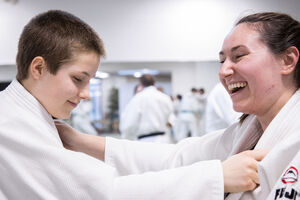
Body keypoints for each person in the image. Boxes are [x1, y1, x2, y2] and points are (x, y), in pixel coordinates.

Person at [0, 10, 262, 199]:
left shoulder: (32, 117)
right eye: (78, 79)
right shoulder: (13, 123)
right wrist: (215, 177)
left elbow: (172, 155)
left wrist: (80, 141)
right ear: (38, 68)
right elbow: (103, 192)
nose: (86, 95)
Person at [56, 12, 300, 199]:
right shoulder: (245, 133)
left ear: (287, 60)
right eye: (222, 59)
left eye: (239, 56)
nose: (224, 70)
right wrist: (77, 140)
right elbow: (175, 158)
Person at [119, 74, 173, 143]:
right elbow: (170, 118)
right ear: (154, 82)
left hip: (146, 141)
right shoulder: (165, 97)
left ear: (141, 83)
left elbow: (130, 123)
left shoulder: (138, 98)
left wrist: (126, 138)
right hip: (164, 139)